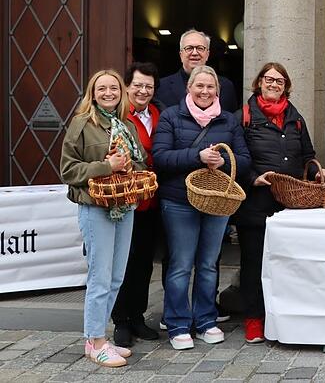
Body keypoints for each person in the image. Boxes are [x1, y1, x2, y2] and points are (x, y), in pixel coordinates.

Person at [152, 65, 251, 350]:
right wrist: (197, 156)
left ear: (217, 91)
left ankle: (206, 320)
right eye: (200, 86)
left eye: (210, 87)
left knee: (208, 264)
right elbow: (161, 157)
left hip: (217, 201)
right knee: (181, 264)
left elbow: (244, 160)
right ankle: (177, 323)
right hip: (179, 201)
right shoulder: (172, 116)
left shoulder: (228, 121)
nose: (205, 91)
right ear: (189, 88)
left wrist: (224, 162)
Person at [60, 69, 147, 367]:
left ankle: (98, 337)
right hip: (96, 207)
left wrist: (129, 166)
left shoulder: (127, 125)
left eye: (114, 88)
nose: (108, 93)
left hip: (125, 204)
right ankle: (95, 341)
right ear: (93, 94)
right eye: (102, 89)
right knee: (100, 276)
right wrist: (106, 166)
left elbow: (140, 163)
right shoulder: (82, 124)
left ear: (121, 93)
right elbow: (68, 170)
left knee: (116, 276)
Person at [238, 63, 325, 344]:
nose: (274, 84)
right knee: (254, 262)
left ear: (286, 86)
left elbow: (307, 154)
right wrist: (252, 178)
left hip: (289, 204)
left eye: (279, 81)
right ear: (259, 82)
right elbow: (237, 157)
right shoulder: (245, 116)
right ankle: (254, 319)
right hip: (256, 202)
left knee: (288, 263)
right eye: (269, 79)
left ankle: (287, 315)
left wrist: (317, 171)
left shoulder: (294, 117)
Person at [111, 62, 162, 347]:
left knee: (143, 262)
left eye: (149, 86)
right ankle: (121, 320)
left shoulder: (158, 113)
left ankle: (138, 317)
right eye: (138, 85)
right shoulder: (118, 115)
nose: (143, 91)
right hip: (125, 200)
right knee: (123, 262)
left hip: (151, 202)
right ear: (127, 87)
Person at [156, 29, 239, 113]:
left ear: (207, 54)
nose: (195, 53)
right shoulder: (161, 87)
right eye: (189, 48)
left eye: (200, 48)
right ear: (181, 55)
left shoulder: (226, 86)